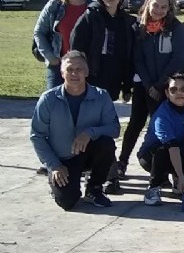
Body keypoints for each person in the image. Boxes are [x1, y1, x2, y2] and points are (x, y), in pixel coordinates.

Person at [30, 51, 119, 210]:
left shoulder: (101, 96)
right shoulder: (48, 99)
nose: (74, 73)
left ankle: (94, 189)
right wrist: (54, 165)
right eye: (69, 69)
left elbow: (114, 129)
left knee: (106, 143)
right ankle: (57, 185)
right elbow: (37, 136)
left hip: (87, 154)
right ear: (62, 73)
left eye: (79, 69)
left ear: (86, 72)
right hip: (61, 159)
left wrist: (90, 133)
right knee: (67, 202)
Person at [117, 0, 184, 179]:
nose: (158, 10)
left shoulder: (175, 28)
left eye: (164, 7)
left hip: (166, 87)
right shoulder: (139, 27)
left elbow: (178, 57)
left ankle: (166, 167)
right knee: (136, 123)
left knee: (162, 125)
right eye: (155, 5)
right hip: (144, 83)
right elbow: (137, 57)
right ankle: (122, 161)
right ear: (148, 3)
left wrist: (160, 84)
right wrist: (149, 84)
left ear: (169, 8)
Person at [70, 0, 136, 102]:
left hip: (115, 74)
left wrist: (127, 85)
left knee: (107, 110)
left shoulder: (126, 21)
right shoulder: (91, 15)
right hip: (94, 73)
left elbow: (128, 54)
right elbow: (76, 45)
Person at [138, 73, 184, 206]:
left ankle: (177, 181)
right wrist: (181, 176)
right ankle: (153, 188)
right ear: (167, 93)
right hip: (153, 155)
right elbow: (172, 147)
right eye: (173, 90)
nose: (179, 93)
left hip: (180, 151)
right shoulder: (162, 116)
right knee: (163, 151)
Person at [33, 0, 90, 91]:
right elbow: (39, 32)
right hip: (58, 66)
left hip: (85, 68)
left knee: (85, 106)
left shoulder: (93, 8)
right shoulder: (55, 5)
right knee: (54, 104)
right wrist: (50, 57)